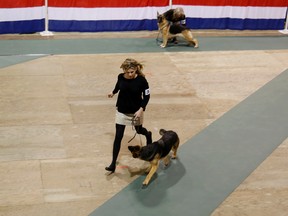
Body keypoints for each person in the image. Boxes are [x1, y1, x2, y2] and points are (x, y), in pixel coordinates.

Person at [105, 58, 152, 173]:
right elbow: (118, 86)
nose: (130, 74)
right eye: (128, 72)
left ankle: (148, 134)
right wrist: (113, 92)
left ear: (136, 69)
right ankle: (112, 163)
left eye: (132, 72)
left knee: (139, 130)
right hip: (122, 110)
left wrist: (141, 109)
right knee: (118, 137)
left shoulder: (142, 80)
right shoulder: (120, 77)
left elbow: (147, 96)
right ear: (124, 71)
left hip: (136, 111)